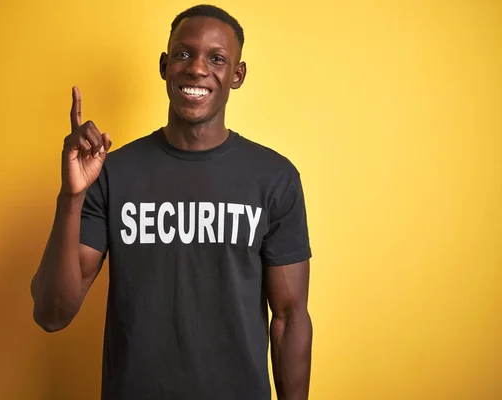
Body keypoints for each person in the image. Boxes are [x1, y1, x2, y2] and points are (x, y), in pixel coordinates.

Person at [30, 4, 313, 400]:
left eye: (217, 58)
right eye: (183, 53)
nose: (197, 68)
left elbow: (289, 317)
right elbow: (52, 314)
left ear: (238, 75)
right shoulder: (113, 173)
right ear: (164, 65)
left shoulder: (274, 178)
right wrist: (71, 197)